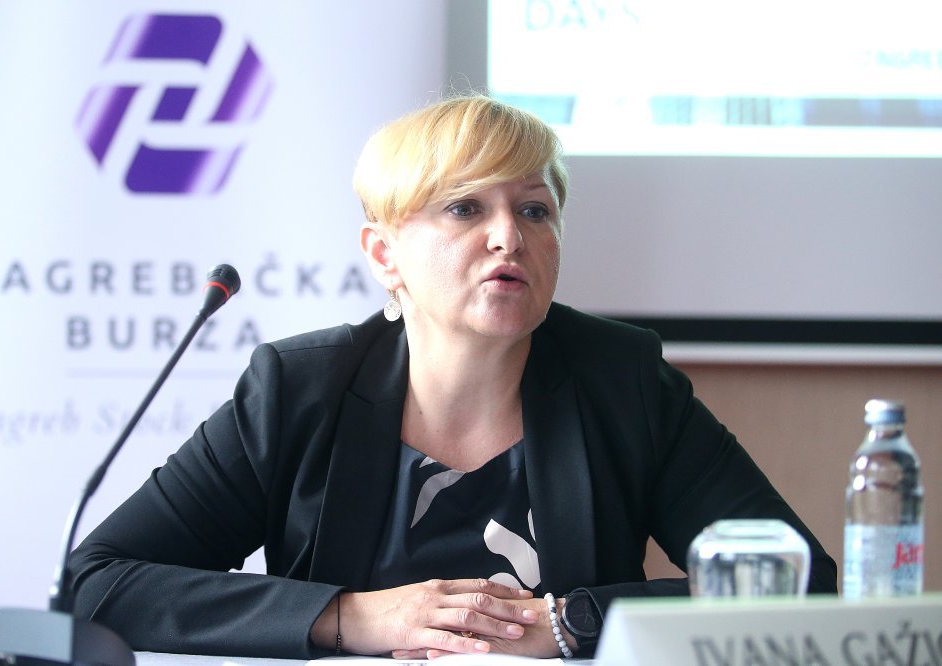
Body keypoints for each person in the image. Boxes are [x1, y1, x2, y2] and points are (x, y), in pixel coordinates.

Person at [69, 95, 837, 660]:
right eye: (466, 209)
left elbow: (801, 584)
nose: (509, 237)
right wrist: (352, 617)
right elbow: (97, 584)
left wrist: (568, 623)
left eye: (534, 211)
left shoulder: (622, 382)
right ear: (384, 255)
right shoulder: (298, 391)